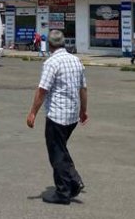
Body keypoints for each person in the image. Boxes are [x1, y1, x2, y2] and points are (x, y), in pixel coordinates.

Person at [26, 30, 88, 205]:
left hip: (57, 116)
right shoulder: (75, 60)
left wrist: (32, 113)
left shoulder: (51, 63)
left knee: (57, 154)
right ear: (63, 43)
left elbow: (42, 90)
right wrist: (84, 110)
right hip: (72, 117)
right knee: (61, 149)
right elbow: (83, 88)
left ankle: (63, 192)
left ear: (50, 45)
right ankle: (74, 181)